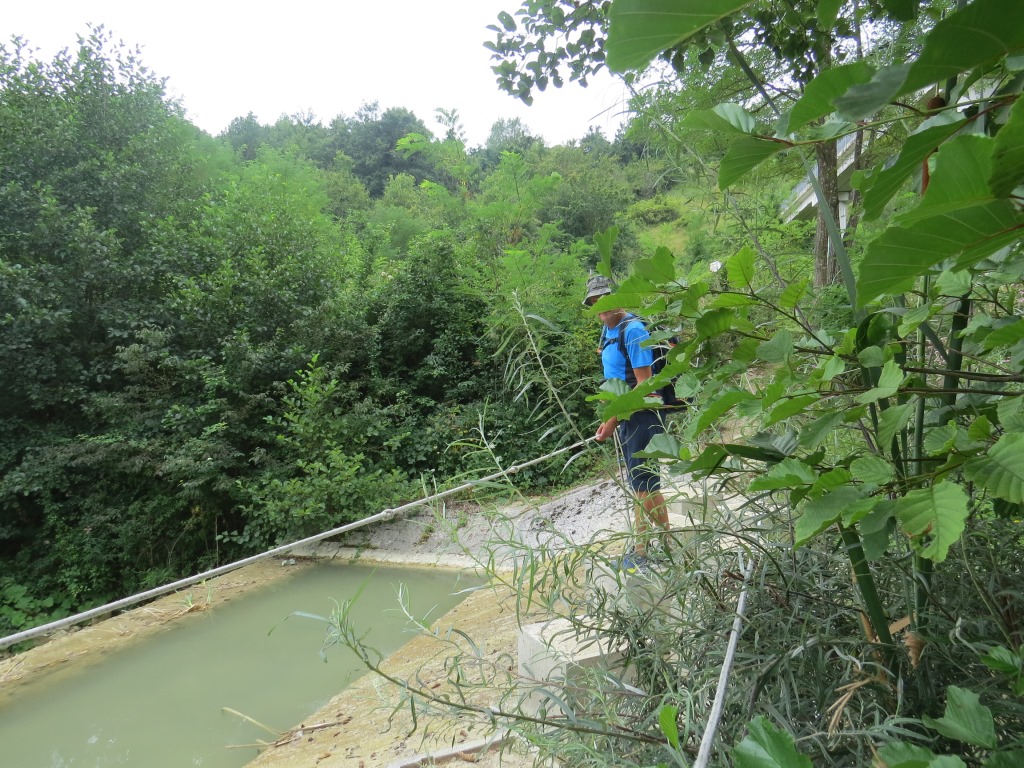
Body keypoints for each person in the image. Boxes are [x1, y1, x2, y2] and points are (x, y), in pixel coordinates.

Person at [583, 275, 670, 572]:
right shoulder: (609, 332)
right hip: (626, 415)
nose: (602, 310)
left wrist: (611, 421)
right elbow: (617, 380)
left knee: (644, 482)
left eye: (605, 301)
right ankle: (652, 547)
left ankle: (651, 550)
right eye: (596, 304)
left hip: (642, 412)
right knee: (642, 484)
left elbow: (644, 384)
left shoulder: (632, 330)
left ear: (618, 299)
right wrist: (613, 417)